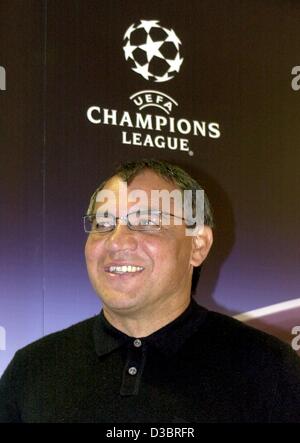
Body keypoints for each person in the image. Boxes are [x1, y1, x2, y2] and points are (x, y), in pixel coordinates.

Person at [1, 158, 300, 423]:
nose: (117, 241)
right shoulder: (32, 370)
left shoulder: (270, 369)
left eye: (146, 222)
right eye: (104, 223)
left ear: (198, 245)